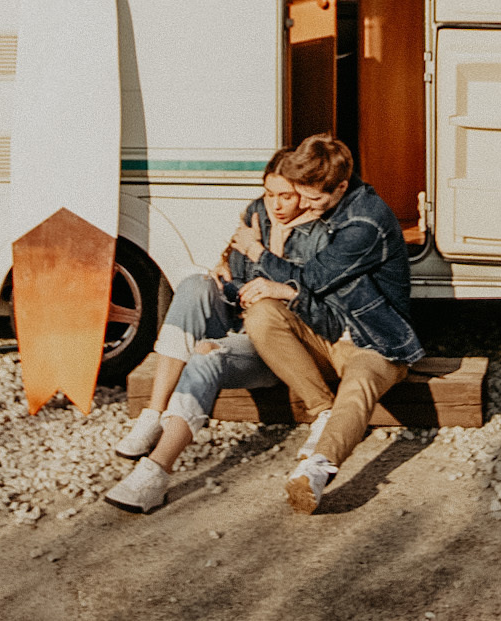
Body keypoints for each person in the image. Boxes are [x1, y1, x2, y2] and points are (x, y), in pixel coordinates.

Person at [101, 153, 331, 514]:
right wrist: (226, 272)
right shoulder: (259, 213)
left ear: (303, 193)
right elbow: (236, 276)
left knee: (209, 355)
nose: (276, 205)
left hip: (275, 343)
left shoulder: (320, 232)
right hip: (240, 317)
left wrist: (269, 261)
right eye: (270, 194)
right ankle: (154, 413)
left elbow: (315, 302)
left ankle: (156, 472)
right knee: (194, 284)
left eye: (286, 196)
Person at [238, 134, 422, 514]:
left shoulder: (364, 221)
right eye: (299, 195)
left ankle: (316, 470)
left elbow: (313, 278)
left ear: (341, 186)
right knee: (261, 313)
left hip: (375, 339)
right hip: (328, 329)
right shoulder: (324, 207)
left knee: (358, 387)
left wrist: (257, 251)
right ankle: (321, 410)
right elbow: (296, 286)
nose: (302, 205)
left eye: (312, 198)